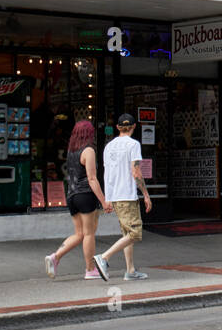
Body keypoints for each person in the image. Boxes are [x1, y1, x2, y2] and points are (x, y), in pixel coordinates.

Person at [45, 119, 111, 280]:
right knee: (89, 234)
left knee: (79, 233)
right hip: (85, 196)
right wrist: (103, 201)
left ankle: (55, 257)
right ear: (89, 134)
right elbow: (92, 178)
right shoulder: (88, 151)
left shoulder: (71, 151)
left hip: (71, 195)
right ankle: (90, 269)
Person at [94, 113, 153, 280]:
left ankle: (130, 270)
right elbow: (136, 172)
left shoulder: (108, 147)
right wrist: (146, 195)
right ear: (134, 127)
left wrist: (108, 198)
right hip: (127, 194)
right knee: (135, 233)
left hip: (115, 195)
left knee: (127, 233)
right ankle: (104, 257)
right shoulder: (133, 145)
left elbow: (107, 173)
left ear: (118, 127)